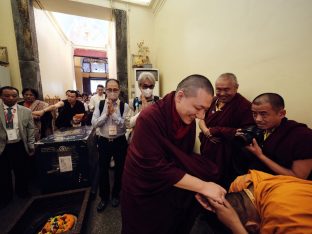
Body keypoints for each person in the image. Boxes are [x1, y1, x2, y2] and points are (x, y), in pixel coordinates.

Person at [121, 74, 226, 234]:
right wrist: (203, 186)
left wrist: (196, 188)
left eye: (205, 110)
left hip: (170, 186)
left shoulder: (187, 119)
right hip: (144, 187)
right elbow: (155, 167)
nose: (201, 116)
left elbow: (180, 157)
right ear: (180, 96)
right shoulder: (149, 118)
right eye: (198, 108)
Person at [196, 170, 312, 234]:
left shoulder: (282, 217)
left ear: (253, 228)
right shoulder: (244, 181)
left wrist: (235, 225)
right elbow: (234, 202)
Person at [199, 73, 254, 188]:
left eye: (226, 90)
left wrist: (217, 130)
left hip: (228, 156)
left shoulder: (244, 106)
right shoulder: (213, 101)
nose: (222, 93)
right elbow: (201, 120)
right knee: (206, 176)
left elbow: (246, 133)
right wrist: (206, 131)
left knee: (224, 183)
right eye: (218, 89)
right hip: (208, 149)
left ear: (236, 87)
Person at [244, 93, 312, 179]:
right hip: (259, 178)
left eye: (263, 114)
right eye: (254, 114)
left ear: (281, 114)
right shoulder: (262, 129)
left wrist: (260, 155)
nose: (258, 119)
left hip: (288, 186)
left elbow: (298, 177)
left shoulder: (303, 136)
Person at [91, 79, 129, 212]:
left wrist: (114, 113)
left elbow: (125, 125)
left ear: (119, 91)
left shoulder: (125, 106)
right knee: (103, 170)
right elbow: (95, 123)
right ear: (105, 91)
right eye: (109, 90)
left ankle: (115, 195)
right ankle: (104, 197)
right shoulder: (100, 104)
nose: (112, 92)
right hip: (104, 141)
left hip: (119, 141)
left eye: (115, 90)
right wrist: (106, 113)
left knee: (120, 169)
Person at [0, 86, 35, 208]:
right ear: (1, 96)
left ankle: (22, 192)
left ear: (18, 97)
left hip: (19, 144)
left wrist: (31, 143)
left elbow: (31, 129)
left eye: (14, 96)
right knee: (4, 173)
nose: (10, 98)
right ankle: (6, 196)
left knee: (21, 170)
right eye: (7, 96)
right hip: (3, 146)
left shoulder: (25, 111)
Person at [125, 71, 159, 142]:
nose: (148, 89)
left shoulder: (159, 101)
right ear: (140, 86)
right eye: (145, 86)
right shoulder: (133, 102)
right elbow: (128, 124)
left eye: (151, 86)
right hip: (138, 140)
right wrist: (142, 112)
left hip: (154, 140)